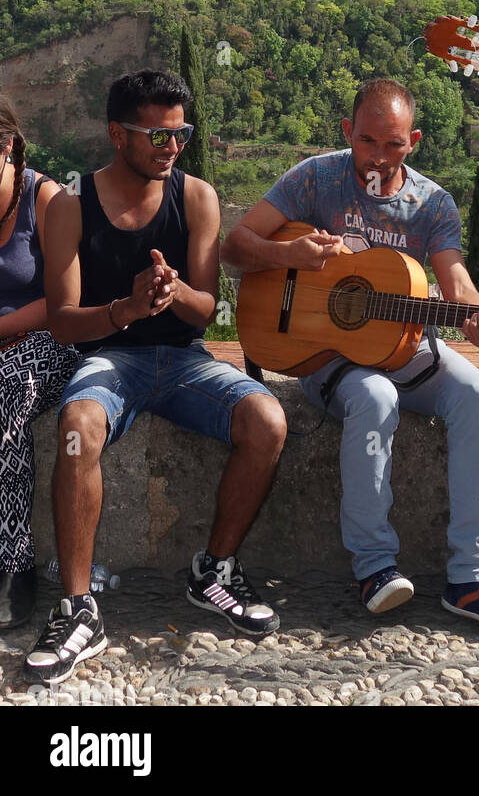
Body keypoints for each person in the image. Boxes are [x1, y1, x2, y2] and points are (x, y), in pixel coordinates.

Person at [221, 77, 479, 633]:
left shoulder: (433, 202)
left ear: (413, 140)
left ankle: (473, 579)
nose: (378, 157)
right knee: (373, 394)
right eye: (367, 142)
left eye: (393, 145)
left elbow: (454, 278)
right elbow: (235, 248)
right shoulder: (315, 176)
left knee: (477, 395)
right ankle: (373, 568)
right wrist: (288, 251)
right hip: (324, 354)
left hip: (407, 347)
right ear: (348, 133)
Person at [24, 71, 287, 686]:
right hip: (110, 359)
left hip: (183, 361)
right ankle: (79, 609)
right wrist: (128, 309)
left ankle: (214, 570)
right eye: (157, 135)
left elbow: (206, 311)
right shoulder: (70, 207)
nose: (172, 148)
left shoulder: (196, 197)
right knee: (75, 430)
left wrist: (171, 295)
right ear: (118, 134)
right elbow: (63, 324)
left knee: (268, 420)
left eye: (180, 134)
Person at [0, 95, 79, 630]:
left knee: (3, 390)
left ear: (7, 146)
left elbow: (65, 300)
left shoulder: (46, 199)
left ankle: (14, 563)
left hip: (50, 343)